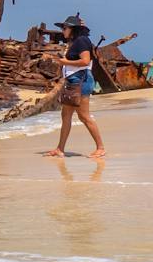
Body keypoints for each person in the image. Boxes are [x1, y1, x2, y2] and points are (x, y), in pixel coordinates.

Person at [45, 13, 107, 159]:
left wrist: (64, 62)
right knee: (65, 115)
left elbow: (85, 61)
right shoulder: (75, 41)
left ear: (72, 29)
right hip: (73, 81)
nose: (63, 31)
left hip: (81, 81)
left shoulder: (82, 41)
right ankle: (60, 149)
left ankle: (101, 147)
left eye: (65, 28)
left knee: (84, 116)